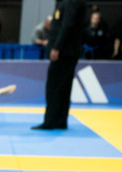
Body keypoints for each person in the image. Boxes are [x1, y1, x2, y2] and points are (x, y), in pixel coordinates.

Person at [33, 0, 86, 131]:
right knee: (63, 87)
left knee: (54, 87)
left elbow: (68, 24)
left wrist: (57, 47)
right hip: (69, 51)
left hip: (64, 51)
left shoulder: (70, 2)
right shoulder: (71, 2)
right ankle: (60, 120)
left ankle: (50, 121)